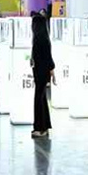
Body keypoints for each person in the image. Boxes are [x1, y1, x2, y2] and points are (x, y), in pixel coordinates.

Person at [30, 10, 54, 138]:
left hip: (41, 72)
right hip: (41, 72)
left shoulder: (40, 40)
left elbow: (47, 57)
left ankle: (40, 128)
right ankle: (44, 126)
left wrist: (51, 70)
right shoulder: (42, 38)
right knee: (42, 99)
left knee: (39, 99)